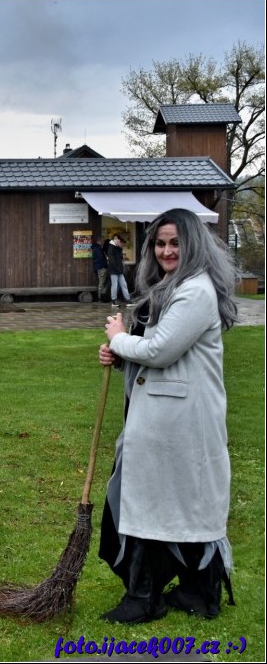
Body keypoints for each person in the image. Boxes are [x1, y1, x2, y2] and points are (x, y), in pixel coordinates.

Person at [97, 208, 239, 625]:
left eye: (175, 243)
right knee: (166, 498)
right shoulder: (170, 288)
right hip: (168, 417)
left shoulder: (195, 291)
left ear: (193, 244)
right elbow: (157, 349)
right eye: (160, 243)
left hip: (180, 419)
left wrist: (120, 339)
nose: (166, 250)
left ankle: (146, 597)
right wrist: (120, 353)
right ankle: (192, 591)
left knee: (159, 499)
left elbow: (161, 351)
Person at [106, 233, 135, 307]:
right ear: (115, 239)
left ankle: (127, 299)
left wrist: (120, 268)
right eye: (119, 240)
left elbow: (119, 259)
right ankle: (114, 300)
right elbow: (112, 260)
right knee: (115, 285)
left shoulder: (117, 247)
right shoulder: (111, 248)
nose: (120, 242)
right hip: (114, 270)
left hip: (118, 269)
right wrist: (118, 268)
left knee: (123, 284)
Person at [91, 237, 110, 302]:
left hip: (99, 267)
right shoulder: (98, 249)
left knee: (101, 282)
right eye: (103, 241)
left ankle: (101, 296)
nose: (103, 242)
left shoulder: (96, 248)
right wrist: (105, 265)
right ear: (100, 241)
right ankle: (100, 297)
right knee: (101, 283)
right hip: (101, 267)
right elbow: (101, 259)